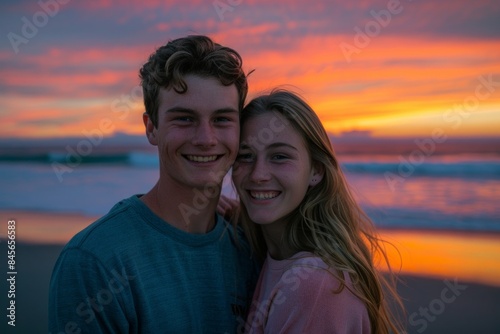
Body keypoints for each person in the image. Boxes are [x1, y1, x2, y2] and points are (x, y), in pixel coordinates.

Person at [49, 35, 259, 333]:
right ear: (151, 128)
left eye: (222, 119)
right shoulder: (95, 261)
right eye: (184, 119)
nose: (205, 139)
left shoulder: (254, 245)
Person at [228, 89, 405, 333]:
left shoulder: (312, 284)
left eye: (279, 157)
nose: (258, 174)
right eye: (245, 156)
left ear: (316, 171)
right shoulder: (276, 257)